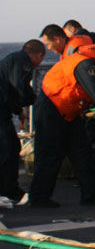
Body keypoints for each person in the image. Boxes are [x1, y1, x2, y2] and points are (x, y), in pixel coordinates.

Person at [28, 31, 95, 207]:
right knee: (49, 155)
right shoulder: (86, 63)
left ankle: (90, 196)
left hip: (71, 111)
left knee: (82, 153)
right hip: (52, 108)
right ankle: (39, 197)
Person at [0, 40, 45, 202]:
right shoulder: (22, 61)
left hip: (4, 109)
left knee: (11, 147)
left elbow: (10, 91)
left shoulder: (12, 60)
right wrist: (36, 101)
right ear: (39, 55)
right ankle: (8, 190)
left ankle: (9, 189)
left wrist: (19, 111)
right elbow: (20, 86)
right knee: (8, 149)